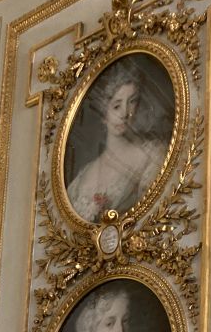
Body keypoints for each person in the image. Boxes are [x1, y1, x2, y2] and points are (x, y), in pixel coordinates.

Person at [65, 57, 170, 222]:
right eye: (116, 106)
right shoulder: (83, 174)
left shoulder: (151, 155)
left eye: (132, 102)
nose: (125, 113)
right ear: (103, 113)